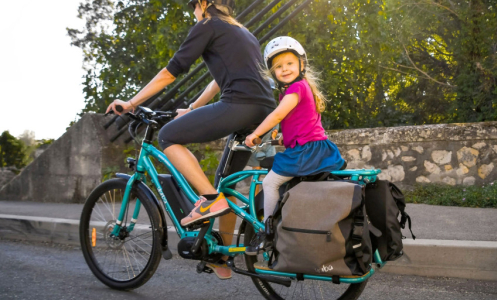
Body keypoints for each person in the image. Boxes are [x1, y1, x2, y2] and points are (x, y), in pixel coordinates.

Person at [105, 0, 276, 279]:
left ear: (204, 3)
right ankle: (220, 252)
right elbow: (219, 80)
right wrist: (194, 108)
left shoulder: (207, 24)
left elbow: (169, 72)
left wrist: (132, 102)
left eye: (193, 7)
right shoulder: (243, 32)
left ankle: (209, 199)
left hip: (238, 105)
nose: (193, 13)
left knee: (168, 135)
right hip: (262, 112)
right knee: (227, 184)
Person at [244, 36, 345, 255]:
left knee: (270, 183)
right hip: (313, 148)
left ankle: (267, 230)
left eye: (289, 63)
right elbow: (303, 122)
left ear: (301, 64)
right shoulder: (302, 87)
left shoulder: (295, 89)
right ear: (273, 73)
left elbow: (278, 114)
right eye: (278, 66)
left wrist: (255, 133)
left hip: (306, 152)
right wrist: (284, 138)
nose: (285, 69)